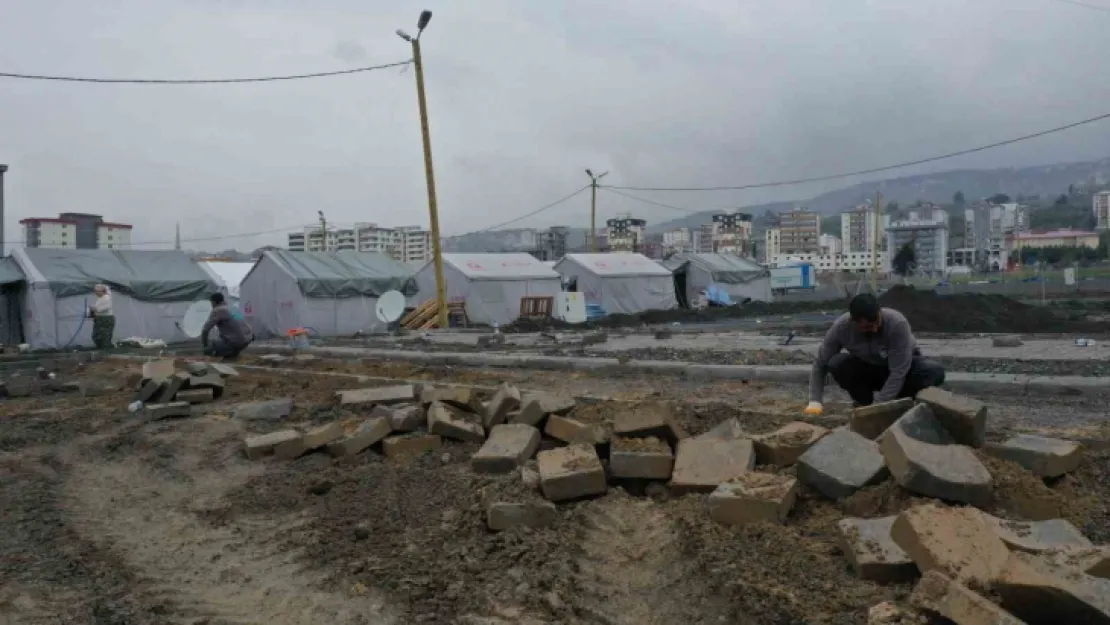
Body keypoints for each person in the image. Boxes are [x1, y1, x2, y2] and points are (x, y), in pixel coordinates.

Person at [804, 293, 945, 416]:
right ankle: (863, 402)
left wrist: (878, 407)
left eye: (876, 322)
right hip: (869, 370)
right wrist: (815, 401)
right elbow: (820, 363)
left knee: (933, 370)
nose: (875, 328)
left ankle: (903, 402)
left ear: (879, 312)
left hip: (902, 371)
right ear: (854, 322)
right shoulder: (841, 328)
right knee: (837, 364)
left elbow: (898, 372)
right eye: (868, 327)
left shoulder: (896, 324)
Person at [201, 292, 253, 360]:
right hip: (247, 339)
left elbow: (205, 330)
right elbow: (242, 323)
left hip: (236, 341)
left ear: (213, 302)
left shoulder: (217, 310)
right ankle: (232, 355)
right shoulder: (233, 308)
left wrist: (205, 347)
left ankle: (231, 352)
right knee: (223, 336)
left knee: (210, 347)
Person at [88, 284, 115, 350]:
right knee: (96, 335)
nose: (95, 293)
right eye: (95, 291)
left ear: (102, 291)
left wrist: (94, 308)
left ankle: (106, 350)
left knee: (105, 336)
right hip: (99, 318)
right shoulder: (100, 298)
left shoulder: (106, 298)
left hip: (106, 319)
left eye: (97, 291)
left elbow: (104, 308)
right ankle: (100, 348)